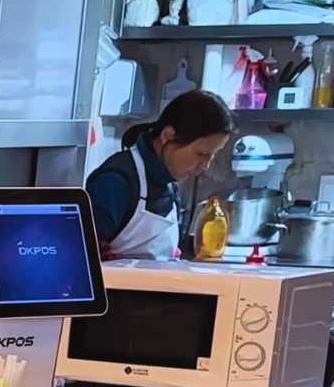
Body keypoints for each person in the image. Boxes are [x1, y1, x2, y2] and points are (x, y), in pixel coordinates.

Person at [86, 90, 233, 260]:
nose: (205, 166)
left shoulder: (169, 183)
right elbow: (83, 256)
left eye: (212, 156)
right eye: (201, 154)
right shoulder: (116, 182)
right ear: (167, 136)